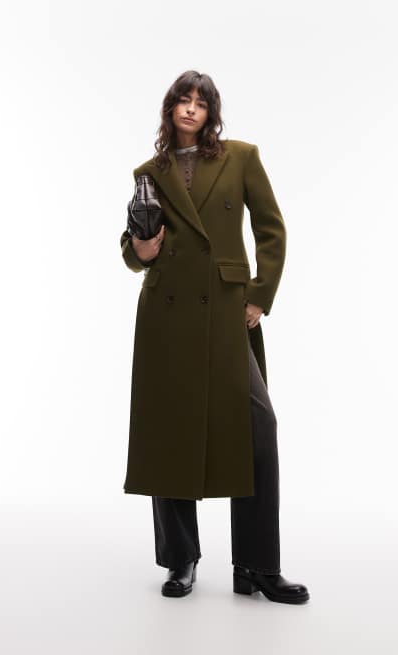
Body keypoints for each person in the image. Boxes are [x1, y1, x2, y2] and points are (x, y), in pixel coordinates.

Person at [120, 70, 309, 603]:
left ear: (211, 113)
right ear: (170, 108)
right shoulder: (149, 172)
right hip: (167, 312)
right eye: (182, 100)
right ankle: (180, 559)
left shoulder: (240, 157)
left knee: (257, 425)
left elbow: (271, 228)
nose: (190, 109)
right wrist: (141, 248)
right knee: (170, 430)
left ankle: (256, 565)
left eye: (200, 103)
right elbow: (132, 248)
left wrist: (259, 295)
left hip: (226, 308)